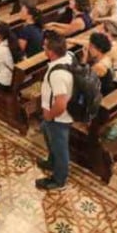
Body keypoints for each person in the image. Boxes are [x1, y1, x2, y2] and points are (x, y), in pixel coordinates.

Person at [37, 34, 73, 191]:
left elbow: (61, 104)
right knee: (47, 132)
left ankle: (59, 180)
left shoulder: (58, 75)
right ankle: (52, 161)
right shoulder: (69, 56)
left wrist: (50, 115)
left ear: (51, 52)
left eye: (45, 46)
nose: (43, 47)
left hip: (59, 118)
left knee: (60, 148)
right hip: (52, 116)